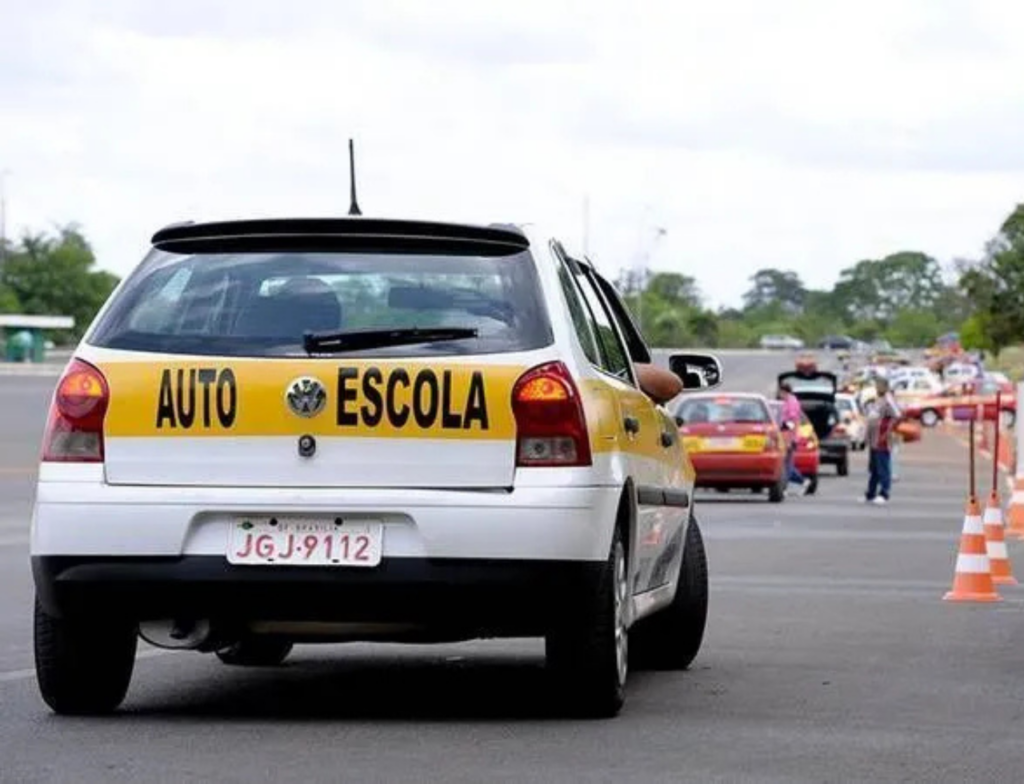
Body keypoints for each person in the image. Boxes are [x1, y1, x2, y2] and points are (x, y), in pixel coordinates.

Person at [865, 377, 901, 504]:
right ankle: (870, 493)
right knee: (874, 468)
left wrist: (888, 431)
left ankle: (884, 493)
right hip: (873, 440)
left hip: (882, 440)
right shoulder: (878, 400)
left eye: (878, 385)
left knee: (883, 467)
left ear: (884, 386)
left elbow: (897, 416)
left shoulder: (888, 400)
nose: (876, 388)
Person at [778, 381, 812, 496]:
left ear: (784, 391)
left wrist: (786, 432)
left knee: (786, 464)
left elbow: (792, 420)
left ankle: (784, 488)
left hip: (789, 438)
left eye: (780, 392)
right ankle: (802, 481)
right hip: (787, 437)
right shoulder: (788, 401)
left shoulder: (791, 402)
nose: (779, 395)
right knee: (787, 464)